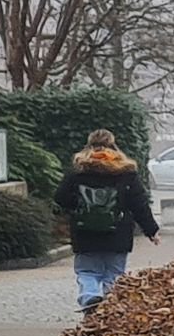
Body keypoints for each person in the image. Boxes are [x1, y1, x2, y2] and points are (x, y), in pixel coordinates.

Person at [59, 129, 159, 307]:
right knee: (114, 274)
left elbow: (60, 197)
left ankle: (90, 296)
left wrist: (79, 207)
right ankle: (110, 308)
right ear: (113, 145)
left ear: (89, 145)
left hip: (85, 232)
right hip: (118, 233)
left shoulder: (79, 171)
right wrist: (151, 230)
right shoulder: (126, 172)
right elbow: (139, 204)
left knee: (87, 271)